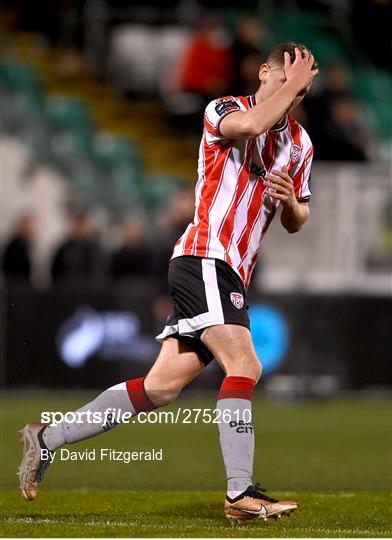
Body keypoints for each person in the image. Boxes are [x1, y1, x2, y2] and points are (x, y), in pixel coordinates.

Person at [18, 43, 318, 524]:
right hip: (205, 255)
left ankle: (47, 439)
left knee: (160, 389)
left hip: (230, 269)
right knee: (245, 363)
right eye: (290, 79)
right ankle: (240, 492)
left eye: (305, 87)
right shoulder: (226, 110)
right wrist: (289, 90)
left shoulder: (301, 143)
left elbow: (300, 219)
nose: (298, 92)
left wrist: (289, 203)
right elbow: (254, 125)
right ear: (265, 73)